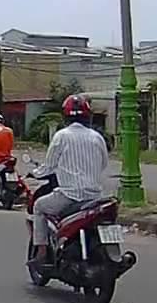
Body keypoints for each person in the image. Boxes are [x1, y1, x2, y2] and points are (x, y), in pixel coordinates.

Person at [29, 95, 109, 268]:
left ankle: (41, 252)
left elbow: (49, 166)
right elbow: (104, 163)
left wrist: (34, 173)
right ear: (87, 116)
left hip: (69, 195)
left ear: (65, 116)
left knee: (39, 207)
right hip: (94, 197)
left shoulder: (61, 136)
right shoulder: (97, 137)